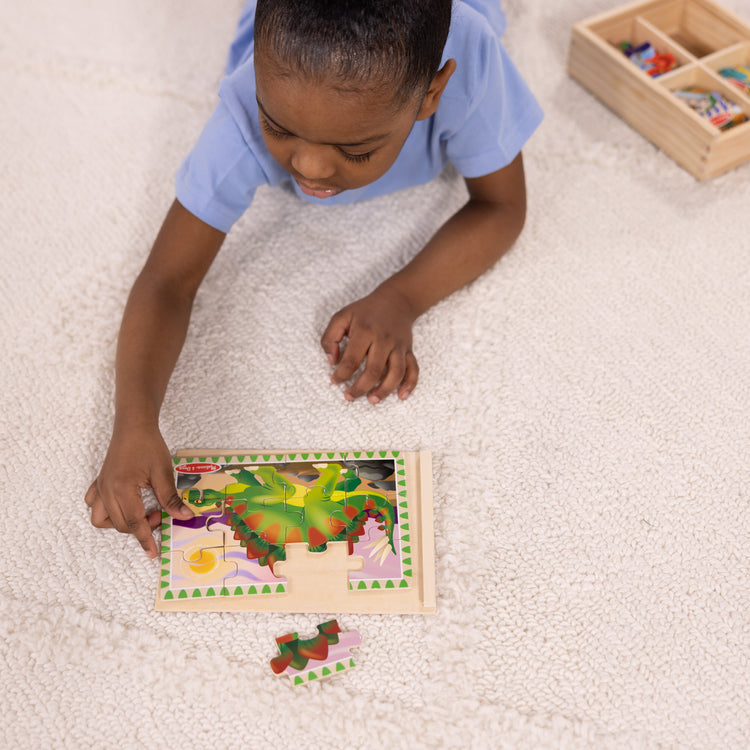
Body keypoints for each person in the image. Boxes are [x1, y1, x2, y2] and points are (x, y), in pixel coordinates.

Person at [85, 0, 543, 557]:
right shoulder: (245, 99)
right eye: (278, 126)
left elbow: (502, 208)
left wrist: (403, 296)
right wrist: (134, 421)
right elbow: (166, 280)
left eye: (356, 149)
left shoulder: (468, 60)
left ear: (431, 93)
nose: (310, 167)